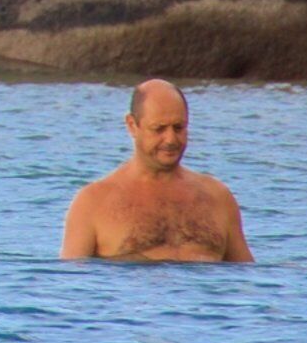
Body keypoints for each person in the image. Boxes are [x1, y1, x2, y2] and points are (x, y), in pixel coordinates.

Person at [60, 78, 253, 263]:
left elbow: (247, 279)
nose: (170, 139)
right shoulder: (92, 203)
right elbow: (72, 285)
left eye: (178, 127)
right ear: (132, 126)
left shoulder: (218, 197)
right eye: (159, 129)